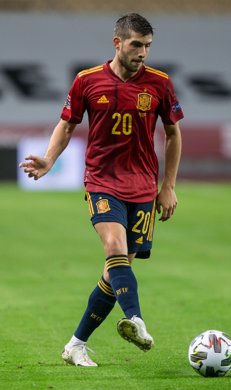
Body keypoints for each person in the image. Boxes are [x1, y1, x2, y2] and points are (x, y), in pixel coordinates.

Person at [19, 13, 183, 367]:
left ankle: (76, 344)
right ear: (118, 43)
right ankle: (136, 319)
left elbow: (172, 134)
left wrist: (167, 186)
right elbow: (67, 125)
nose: (143, 53)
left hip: (143, 187)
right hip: (102, 181)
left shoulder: (160, 84)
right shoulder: (87, 81)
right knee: (114, 247)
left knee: (116, 270)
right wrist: (49, 160)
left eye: (148, 46)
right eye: (136, 45)